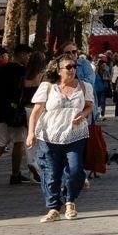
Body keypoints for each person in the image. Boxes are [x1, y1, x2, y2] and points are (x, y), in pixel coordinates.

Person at [27, 55, 94, 222]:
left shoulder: (84, 87)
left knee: (75, 170)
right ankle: (53, 208)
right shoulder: (48, 87)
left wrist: (83, 115)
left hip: (75, 135)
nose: (72, 70)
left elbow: (89, 106)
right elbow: (36, 112)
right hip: (49, 135)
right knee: (51, 173)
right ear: (59, 70)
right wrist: (31, 133)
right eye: (68, 67)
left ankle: (70, 201)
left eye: (74, 66)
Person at [0, 45, 33, 186]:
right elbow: (23, 90)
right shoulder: (22, 71)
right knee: (18, 141)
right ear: (22, 54)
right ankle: (15, 174)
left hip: (1, 111)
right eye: (28, 55)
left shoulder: (0, 69)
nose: (28, 58)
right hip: (15, 112)